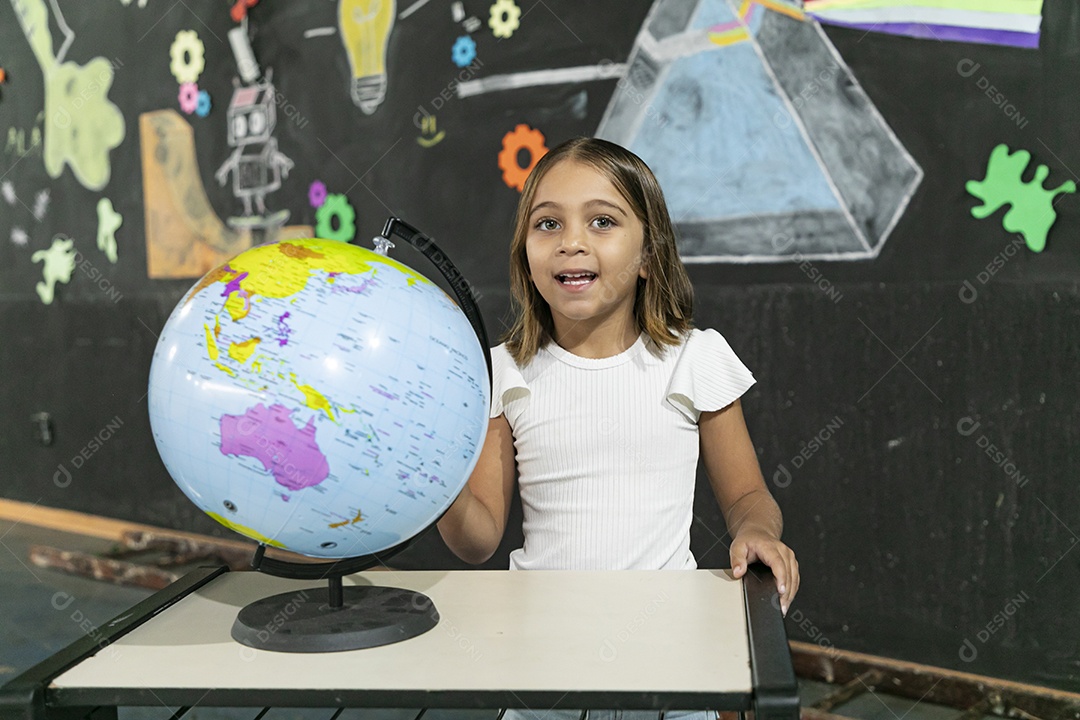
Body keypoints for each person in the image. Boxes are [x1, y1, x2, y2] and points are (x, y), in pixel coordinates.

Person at [437, 137, 799, 720]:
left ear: (649, 254)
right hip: (540, 675)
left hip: (670, 670)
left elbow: (748, 496)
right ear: (525, 253)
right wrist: (430, 467)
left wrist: (757, 531)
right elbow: (476, 539)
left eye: (602, 221)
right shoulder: (500, 372)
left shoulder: (695, 358)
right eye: (547, 223)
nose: (571, 241)